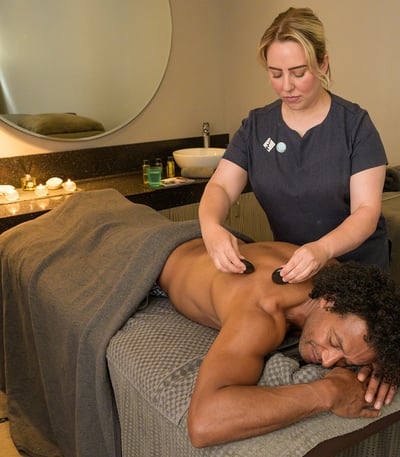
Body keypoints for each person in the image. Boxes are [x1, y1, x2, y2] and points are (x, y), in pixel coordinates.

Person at [198, 7, 389, 284]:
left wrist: (322, 249)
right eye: (276, 74)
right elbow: (221, 187)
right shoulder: (256, 126)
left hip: (358, 272)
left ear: (322, 64)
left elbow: (366, 212)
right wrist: (211, 227)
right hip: (294, 268)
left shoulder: (355, 126)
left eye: (299, 73)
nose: (287, 86)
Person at [158, 237, 400, 448]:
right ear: (330, 300)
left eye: (346, 362)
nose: (328, 362)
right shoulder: (260, 315)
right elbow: (203, 422)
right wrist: (329, 392)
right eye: (334, 342)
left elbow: (378, 320)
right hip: (159, 253)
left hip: (214, 249)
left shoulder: (335, 277)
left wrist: (384, 359)